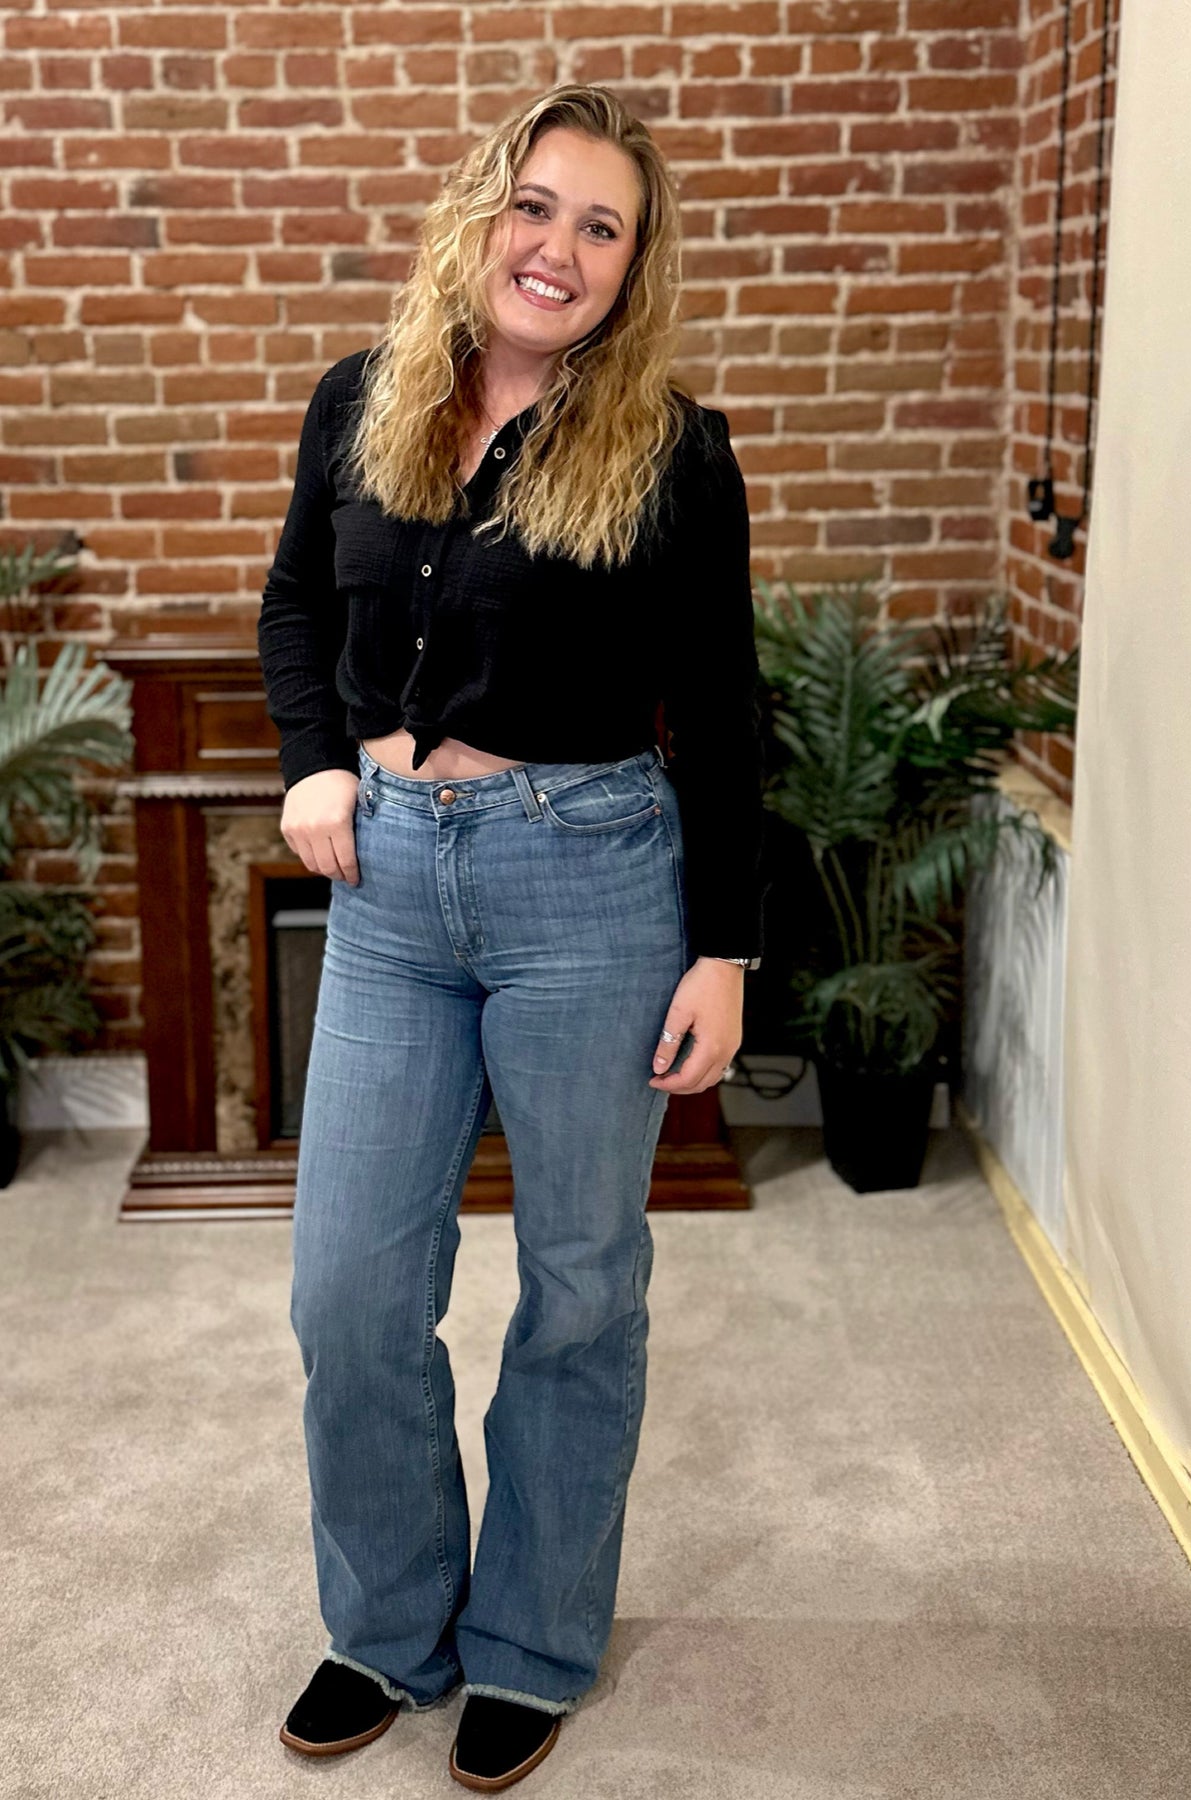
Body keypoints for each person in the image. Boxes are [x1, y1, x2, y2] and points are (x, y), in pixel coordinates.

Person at [257, 81, 766, 1791]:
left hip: (591, 884)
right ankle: (388, 1626)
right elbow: (297, 604)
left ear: (632, 268)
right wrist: (315, 760)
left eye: (602, 227)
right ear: (484, 212)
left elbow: (726, 712)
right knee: (348, 1289)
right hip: (391, 887)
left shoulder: (675, 452)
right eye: (537, 206)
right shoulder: (364, 399)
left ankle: (533, 1642)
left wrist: (724, 951)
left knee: (580, 1284)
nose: (559, 248)